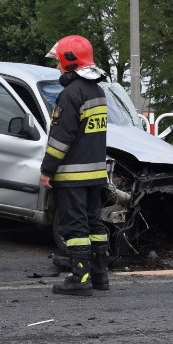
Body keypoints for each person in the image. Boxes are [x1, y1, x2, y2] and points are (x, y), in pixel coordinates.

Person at [40, 35, 110, 297]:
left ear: (70, 62)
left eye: (59, 61)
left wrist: (47, 170)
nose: (57, 66)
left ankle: (80, 278)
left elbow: (61, 138)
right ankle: (100, 275)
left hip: (72, 175)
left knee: (75, 227)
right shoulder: (98, 91)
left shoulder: (70, 94)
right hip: (96, 173)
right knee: (95, 224)